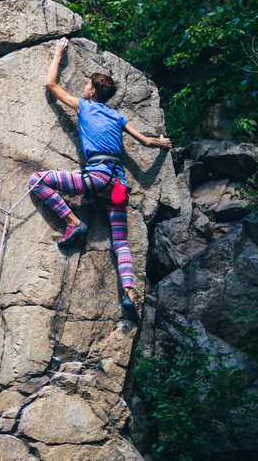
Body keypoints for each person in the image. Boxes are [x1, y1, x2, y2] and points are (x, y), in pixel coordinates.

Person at [28, 37, 171, 321]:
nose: (83, 89)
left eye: (86, 86)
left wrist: (57, 53)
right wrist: (162, 143)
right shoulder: (117, 117)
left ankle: (72, 224)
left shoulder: (84, 105)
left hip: (94, 178)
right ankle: (129, 294)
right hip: (118, 186)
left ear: (92, 92)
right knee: (121, 242)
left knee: (36, 181)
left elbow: (51, 86)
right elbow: (144, 142)